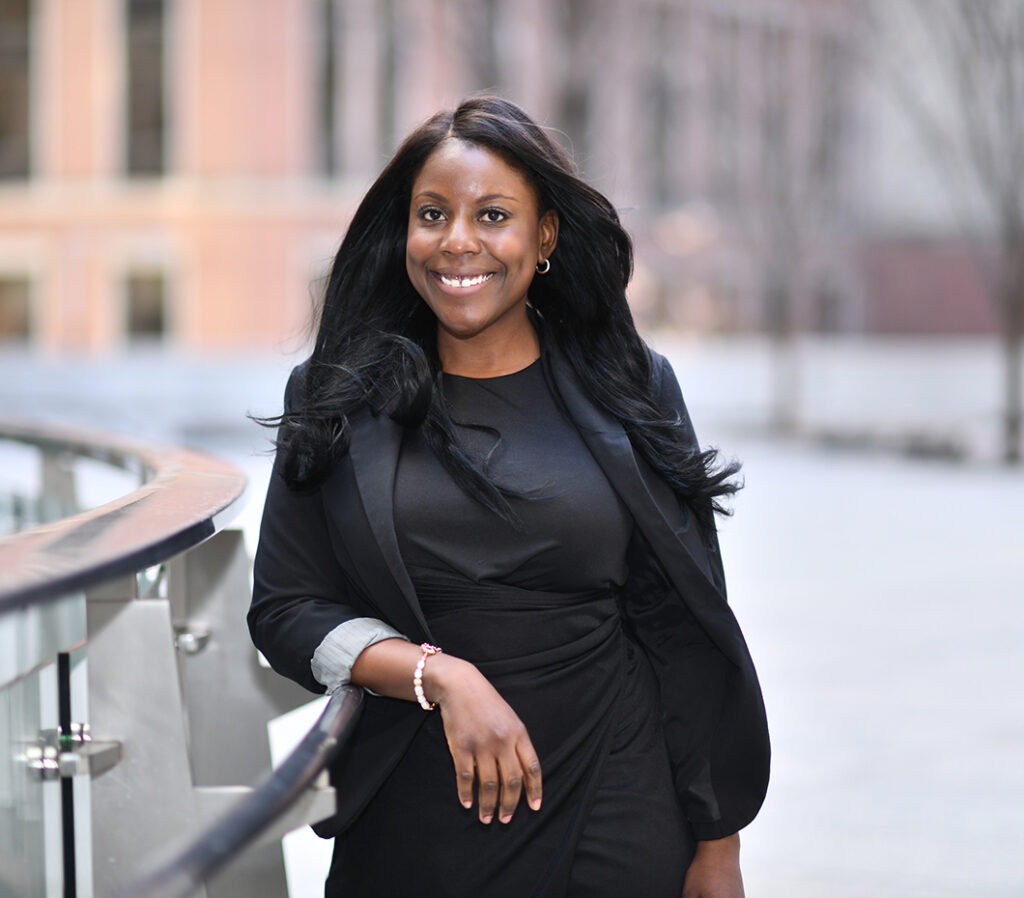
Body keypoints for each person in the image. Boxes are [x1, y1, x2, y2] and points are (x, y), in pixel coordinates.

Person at [249, 95, 769, 898]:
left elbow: (682, 619)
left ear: (545, 235)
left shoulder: (633, 386)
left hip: (617, 797)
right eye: (433, 214)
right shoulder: (335, 397)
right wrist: (439, 677)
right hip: (413, 813)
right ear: (404, 233)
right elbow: (286, 610)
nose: (458, 242)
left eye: (493, 215)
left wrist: (717, 843)